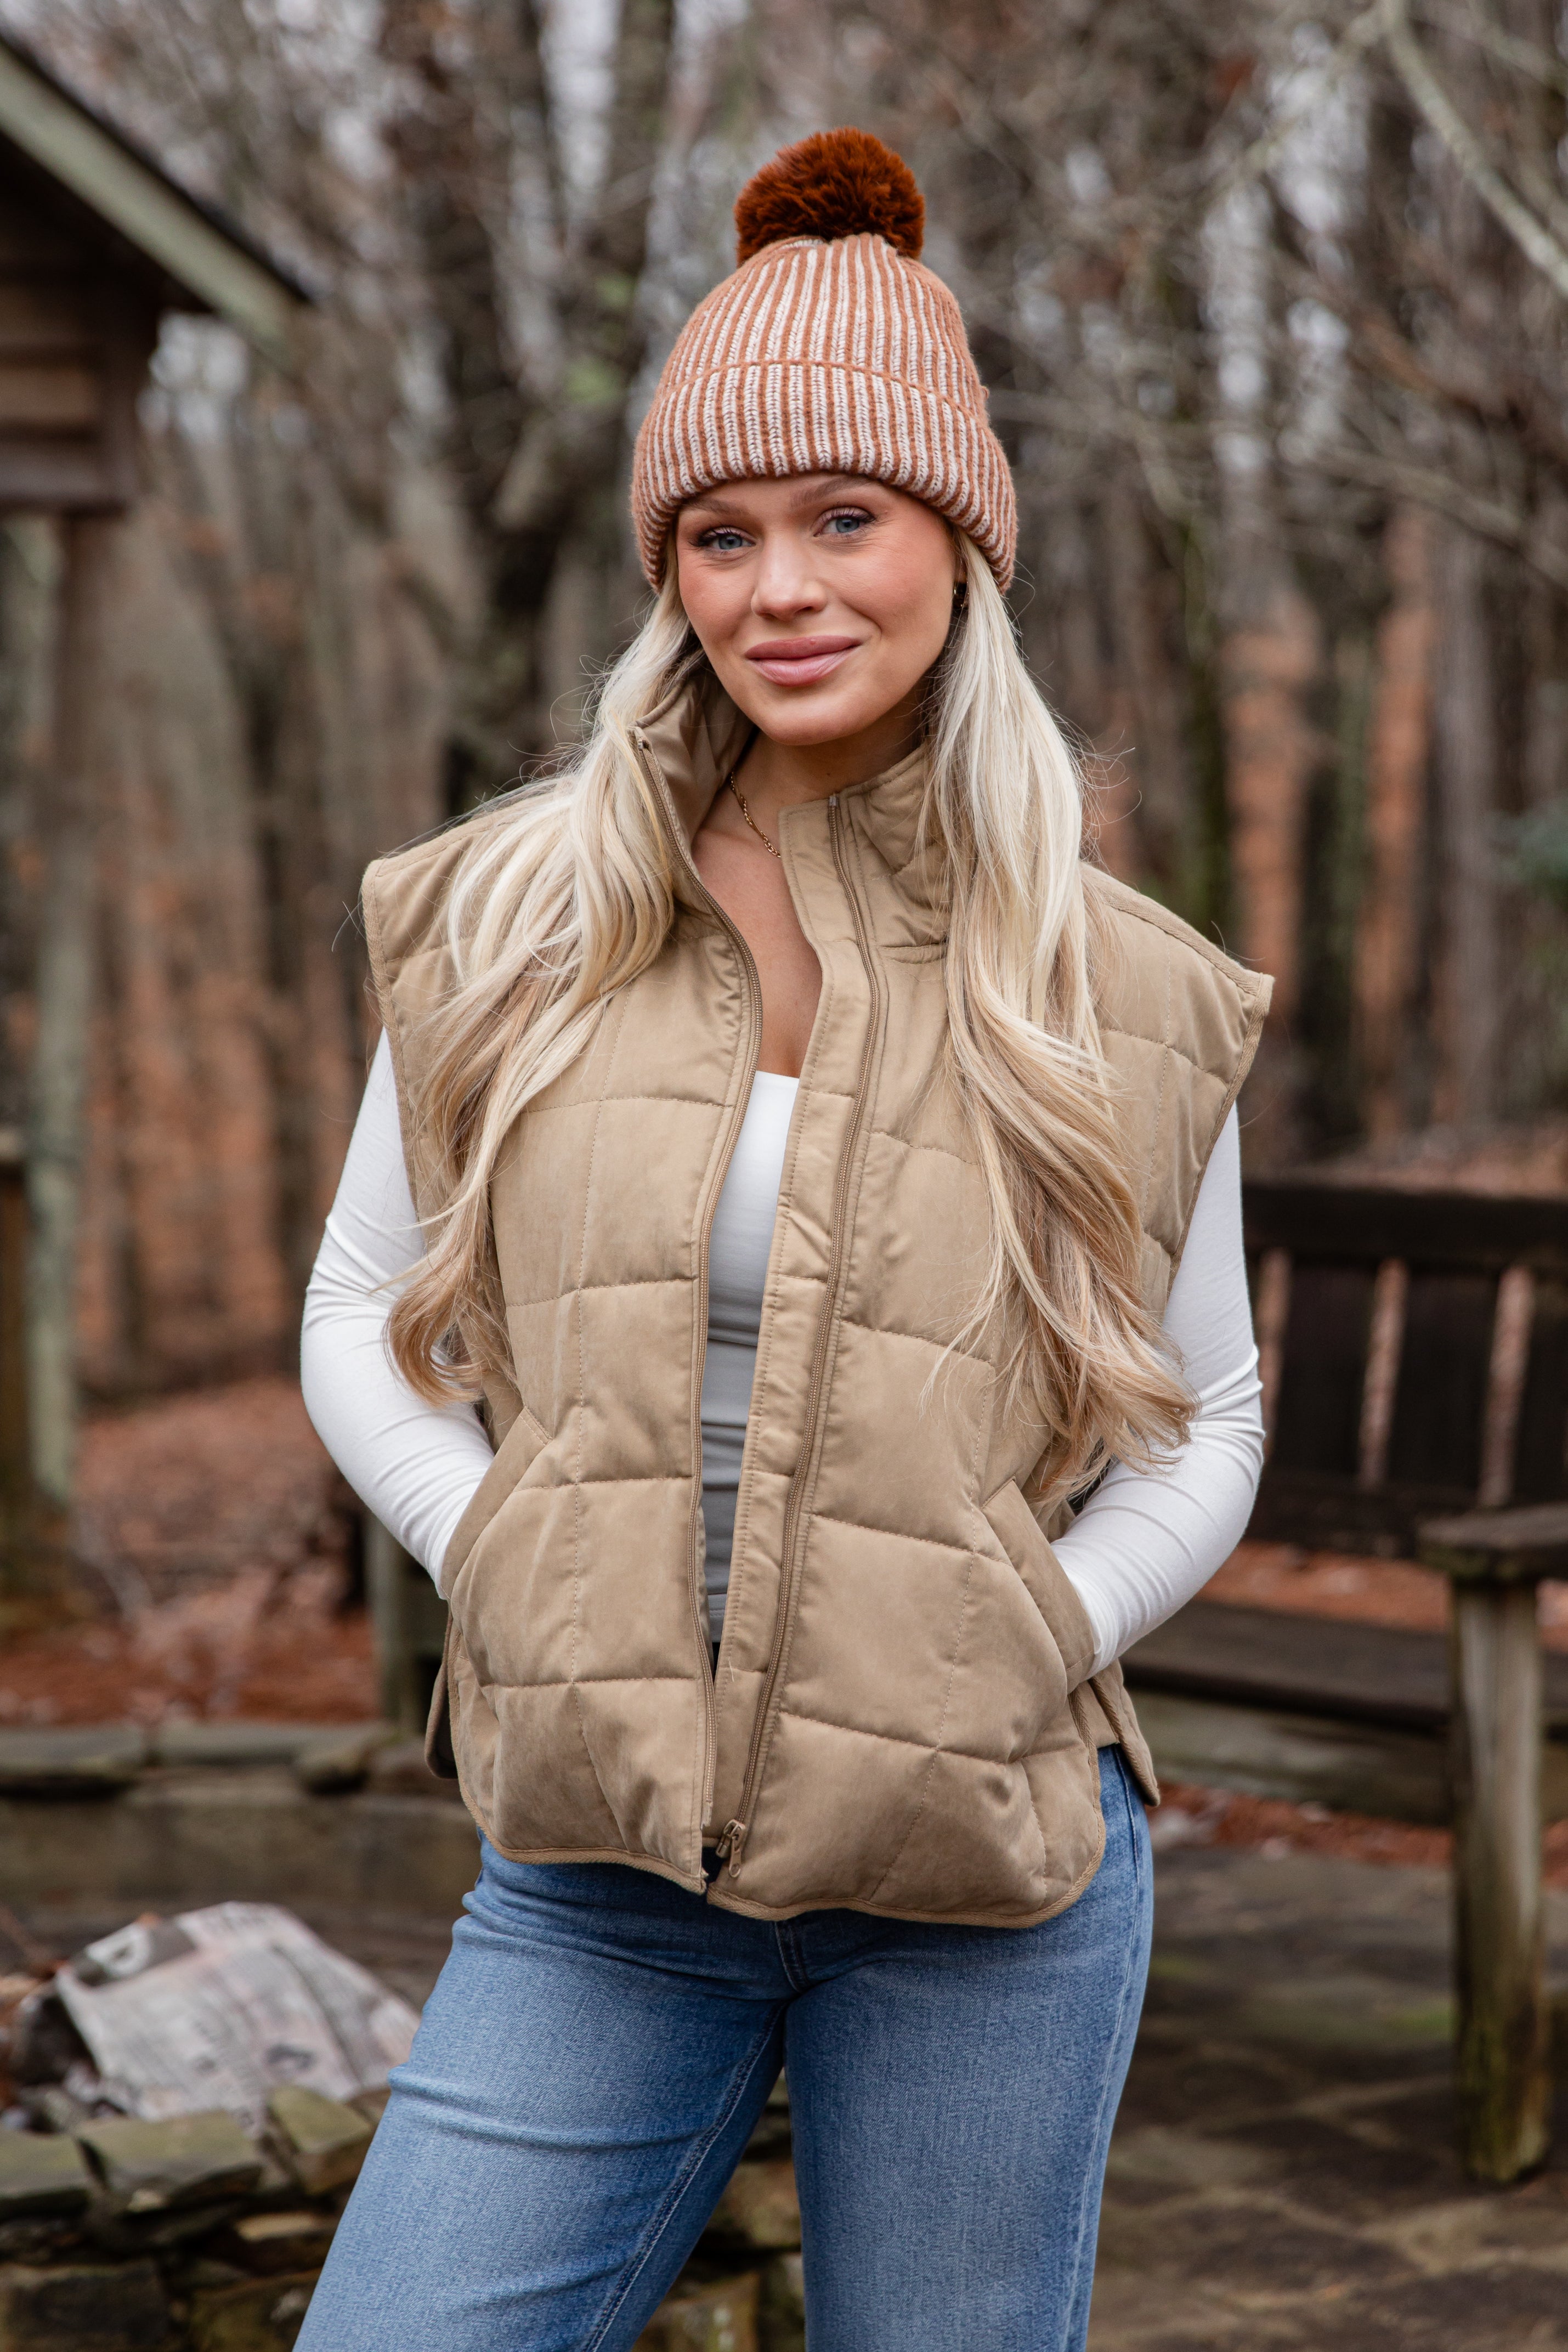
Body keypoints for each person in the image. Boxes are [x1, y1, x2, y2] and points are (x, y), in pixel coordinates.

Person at [295, 128, 1270, 2352]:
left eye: (845, 516)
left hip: (983, 1872)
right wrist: (503, 1536)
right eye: (720, 535)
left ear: (957, 543)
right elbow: (362, 1307)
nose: (780, 586)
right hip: (596, 1867)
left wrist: (1037, 1621)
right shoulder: (510, 920)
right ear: (668, 576)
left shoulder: (1118, 985)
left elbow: (1206, 1419)